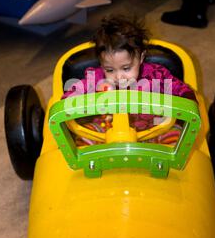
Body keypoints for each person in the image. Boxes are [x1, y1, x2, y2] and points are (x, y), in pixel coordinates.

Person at [62, 15, 196, 144]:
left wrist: (186, 96)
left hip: (153, 129)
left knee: (176, 134)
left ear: (141, 57)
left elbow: (177, 87)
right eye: (109, 70)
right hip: (106, 132)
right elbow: (78, 89)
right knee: (83, 137)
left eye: (126, 68)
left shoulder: (156, 75)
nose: (119, 77)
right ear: (101, 63)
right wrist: (68, 101)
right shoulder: (96, 78)